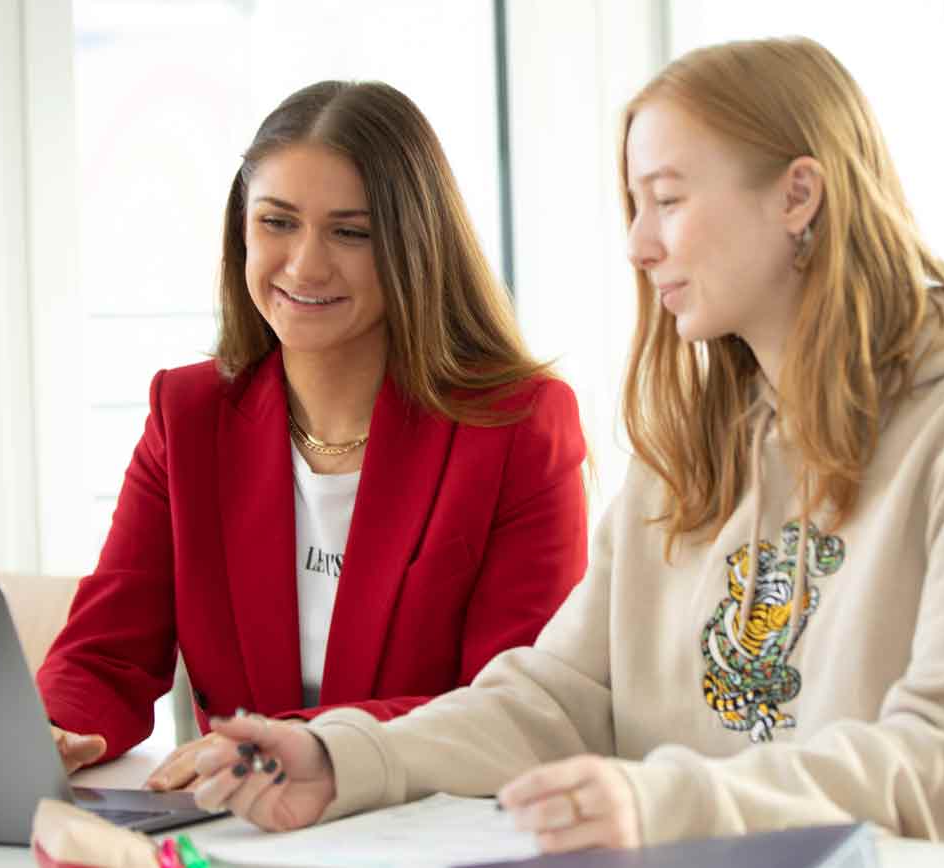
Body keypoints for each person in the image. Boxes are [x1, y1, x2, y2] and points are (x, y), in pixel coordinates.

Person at [190, 38, 944, 860]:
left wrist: (665, 805)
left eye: (669, 201)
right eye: (635, 208)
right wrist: (347, 756)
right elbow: (560, 699)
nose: (640, 246)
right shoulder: (697, 432)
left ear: (796, 197)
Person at [36, 80, 589, 789]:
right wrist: (51, 731)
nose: (304, 265)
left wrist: (299, 747)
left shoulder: (516, 424)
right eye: (277, 222)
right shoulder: (188, 412)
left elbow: (508, 708)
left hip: (421, 824)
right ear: (242, 227)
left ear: (413, 245)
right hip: (244, 832)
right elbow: (103, 656)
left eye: (350, 232)